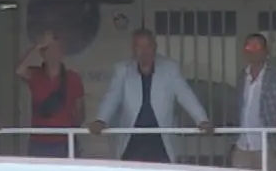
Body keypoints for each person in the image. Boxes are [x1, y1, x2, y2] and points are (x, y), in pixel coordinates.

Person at [89, 27, 212, 163]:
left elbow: (185, 95)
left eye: (148, 46)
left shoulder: (169, 68)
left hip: (161, 141)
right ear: (133, 49)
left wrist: (202, 120)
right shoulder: (123, 69)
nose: (144, 52)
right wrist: (101, 119)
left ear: (155, 47)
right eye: (139, 47)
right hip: (132, 140)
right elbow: (112, 97)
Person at [231, 33, 276, 171]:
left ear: (265, 51)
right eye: (248, 47)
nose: (252, 51)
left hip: (269, 145)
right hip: (243, 144)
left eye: (256, 46)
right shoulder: (242, 76)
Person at [16, 30, 85, 158]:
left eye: (57, 48)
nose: (54, 53)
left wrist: (70, 130)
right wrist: (37, 46)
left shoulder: (72, 78)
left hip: (65, 141)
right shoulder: (35, 75)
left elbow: (80, 112)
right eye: (50, 49)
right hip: (39, 142)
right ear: (42, 54)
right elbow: (19, 69)